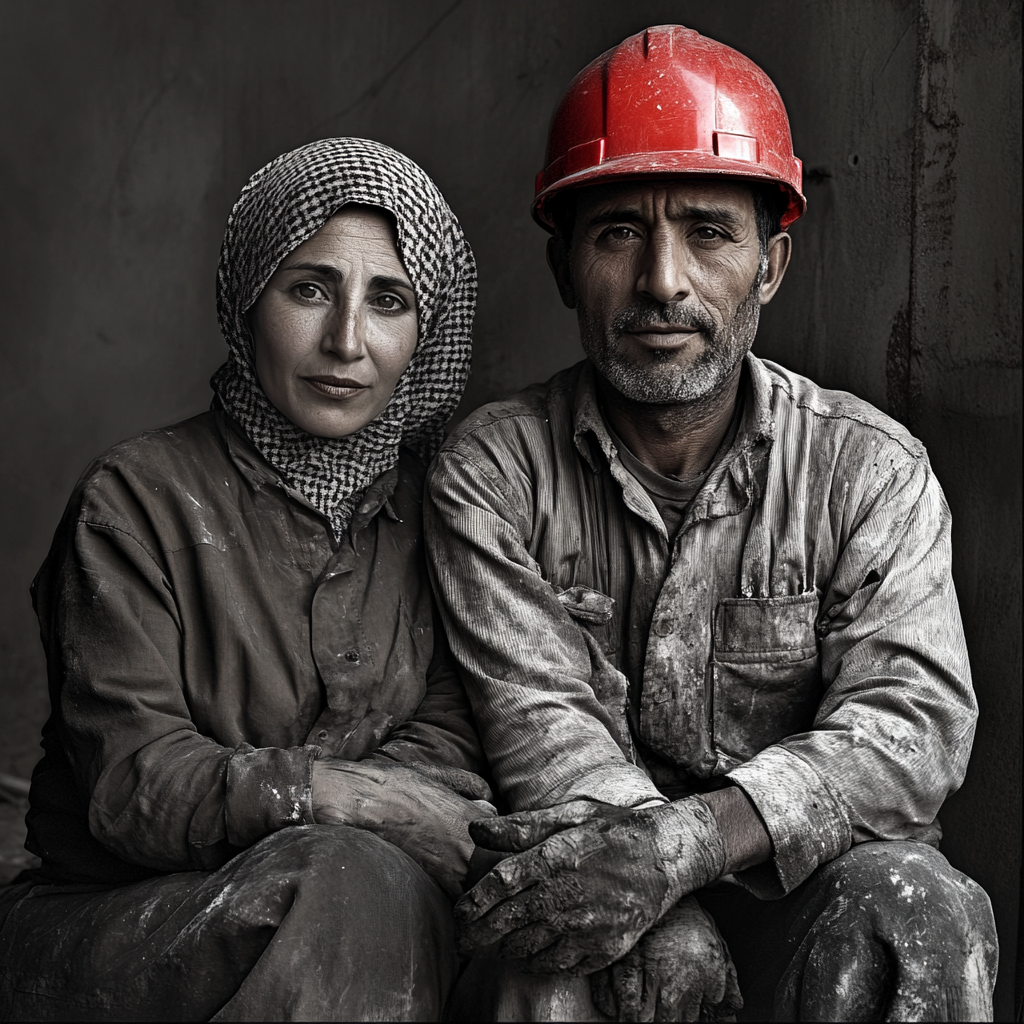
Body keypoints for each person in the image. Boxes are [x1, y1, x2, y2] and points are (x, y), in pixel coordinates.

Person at [426, 26, 999, 1022]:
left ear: (770, 266)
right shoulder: (491, 472)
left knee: (917, 907)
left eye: (707, 231)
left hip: (802, 897)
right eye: (616, 234)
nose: (661, 282)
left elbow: (910, 734)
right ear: (564, 268)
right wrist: (648, 888)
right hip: (590, 882)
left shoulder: (868, 471)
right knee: (554, 949)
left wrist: (679, 849)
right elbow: (543, 731)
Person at [0, 137, 488, 1021]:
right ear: (246, 297)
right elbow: (132, 779)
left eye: (389, 301)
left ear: (427, 330)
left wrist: (374, 822)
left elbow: (454, 742)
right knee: (346, 881)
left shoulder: (448, 512)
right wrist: (340, 799)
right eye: (309, 289)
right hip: (127, 929)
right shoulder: (135, 501)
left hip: (367, 913)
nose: (346, 341)